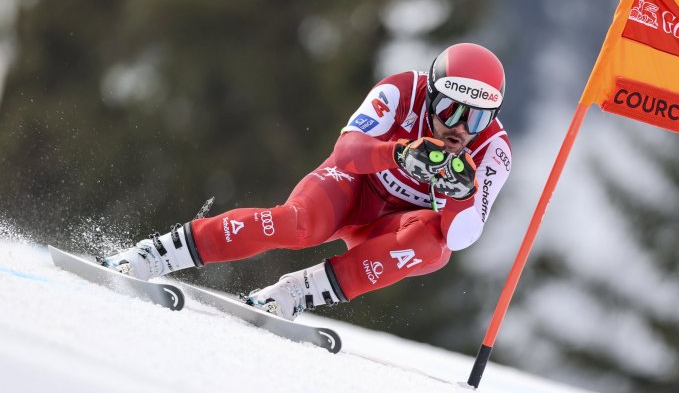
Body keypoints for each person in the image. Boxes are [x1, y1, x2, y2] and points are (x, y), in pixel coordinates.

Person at [103, 42, 513, 321]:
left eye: (475, 117)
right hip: (353, 189)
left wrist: (462, 193)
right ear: (430, 94)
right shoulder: (403, 90)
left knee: (432, 249)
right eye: (449, 109)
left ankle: (295, 292)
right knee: (296, 225)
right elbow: (346, 152)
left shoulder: (493, 151)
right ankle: (155, 254)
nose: (458, 129)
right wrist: (399, 153)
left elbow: (461, 236)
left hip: (393, 226)